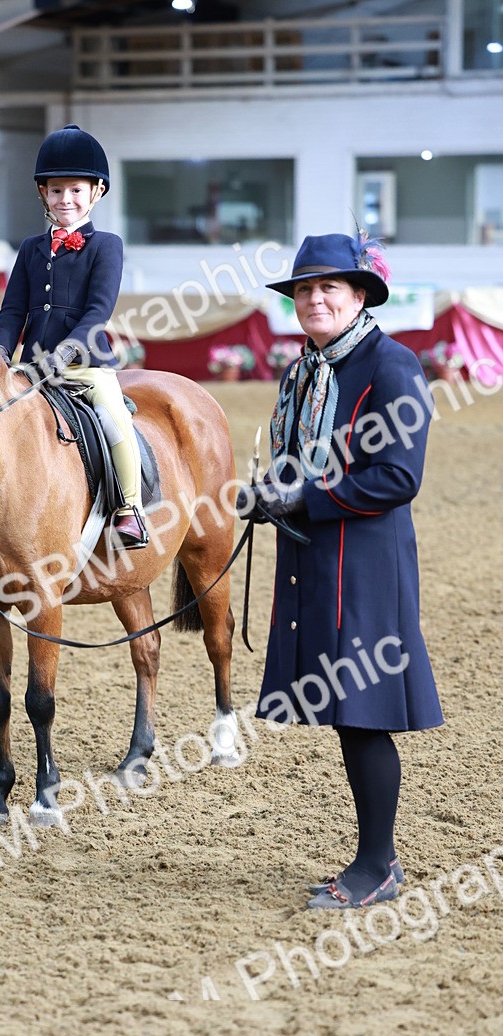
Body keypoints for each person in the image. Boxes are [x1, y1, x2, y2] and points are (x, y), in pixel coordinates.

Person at [237, 231, 443, 909]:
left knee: (364, 712)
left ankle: (378, 866)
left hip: (368, 564)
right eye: (304, 289)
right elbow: (299, 459)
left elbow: (398, 477)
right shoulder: (303, 372)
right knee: (348, 712)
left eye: (329, 287)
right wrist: (270, 493)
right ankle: (374, 859)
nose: (314, 298)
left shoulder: (391, 365)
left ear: (358, 296)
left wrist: (305, 497)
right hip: (316, 554)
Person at [0, 123, 148, 548]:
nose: (66, 200)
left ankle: (128, 507)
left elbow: (99, 312)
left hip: (87, 366)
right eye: (57, 190)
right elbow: (12, 310)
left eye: (76, 190)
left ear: (96, 192)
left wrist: (63, 355)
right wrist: (0, 353)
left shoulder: (107, 245)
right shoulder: (29, 249)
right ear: (44, 193)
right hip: (30, 366)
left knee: (114, 419)